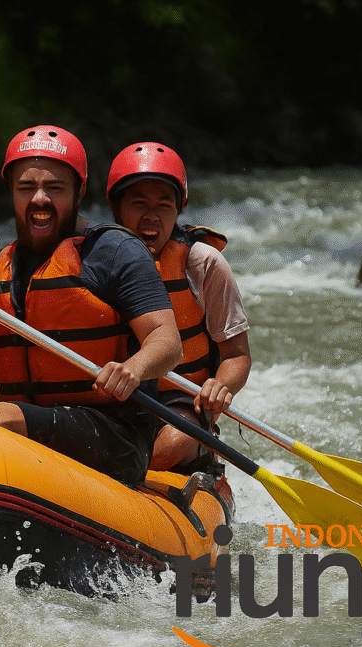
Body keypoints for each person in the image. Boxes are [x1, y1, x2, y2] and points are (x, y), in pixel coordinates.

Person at [0, 125, 182, 485]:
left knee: (3, 418)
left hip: (114, 433)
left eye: (54, 188)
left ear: (79, 192)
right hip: (25, 418)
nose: (40, 199)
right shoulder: (0, 265)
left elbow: (167, 342)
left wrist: (133, 368)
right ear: (12, 191)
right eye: (26, 188)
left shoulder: (116, 251)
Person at [106, 142, 251, 474]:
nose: (152, 216)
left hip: (181, 401)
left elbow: (237, 355)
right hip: (114, 396)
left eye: (164, 205)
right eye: (139, 204)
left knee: (176, 443)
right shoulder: (93, 259)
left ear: (179, 209)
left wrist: (221, 386)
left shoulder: (202, 264)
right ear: (116, 207)